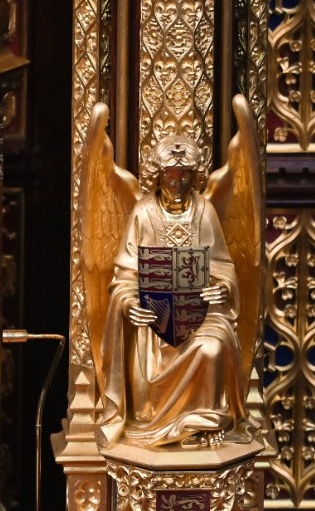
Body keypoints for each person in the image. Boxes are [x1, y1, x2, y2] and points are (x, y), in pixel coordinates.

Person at [96, 135, 247, 448]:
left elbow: (223, 267)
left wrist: (222, 288)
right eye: (170, 176)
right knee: (147, 358)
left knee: (213, 348)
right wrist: (128, 303)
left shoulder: (204, 211)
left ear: (194, 177)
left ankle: (203, 424)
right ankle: (154, 420)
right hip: (154, 319)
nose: (177, 184)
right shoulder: (143, 212)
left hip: (201, 314)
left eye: (184, 177)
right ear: (158, 175)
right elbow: (125, 275)